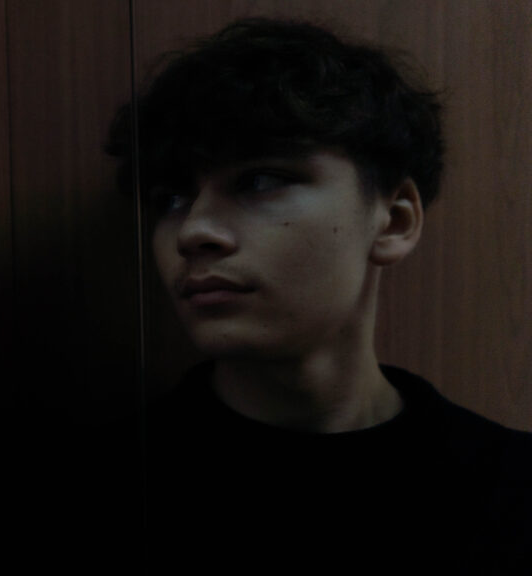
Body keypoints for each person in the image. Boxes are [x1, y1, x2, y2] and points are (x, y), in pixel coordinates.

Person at [107, 18, 531, 571]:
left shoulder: (511, 493)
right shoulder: (92, 495)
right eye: (170, 198)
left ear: (394, 221)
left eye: (259, 181)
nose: (193, 231)